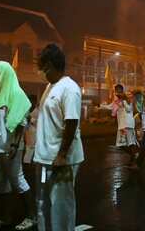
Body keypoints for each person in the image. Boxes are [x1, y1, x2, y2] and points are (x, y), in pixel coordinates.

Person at [34, 44, 84, 231]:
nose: (40, 71)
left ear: (50, 65)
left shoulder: (69, 88)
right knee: (45, 203)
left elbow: (71, 122)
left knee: (61, 206)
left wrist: (62, 154)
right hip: (45, 157)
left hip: (61, 160)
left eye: (42, 66)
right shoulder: (50, 86)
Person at [0, 61, 35, 230]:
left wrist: (15, 144)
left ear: (6, 74)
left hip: (11, 146)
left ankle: (31, 216)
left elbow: (22, 120)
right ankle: (6, 216)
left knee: (17, 179)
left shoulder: (16, 93)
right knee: (2, 182)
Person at [112, 84, 139, 167]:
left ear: (121, 91)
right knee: (125, 144)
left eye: (118, 91)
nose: (117, 93)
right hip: (123, 125)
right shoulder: (119, 100)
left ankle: (134, 157)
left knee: (124, 144)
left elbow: (129, 109)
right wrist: (101, 107)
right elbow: (113, 109)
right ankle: (133, 157)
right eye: (116, 91)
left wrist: (122, 102)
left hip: (127, 124)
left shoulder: (127, 98)